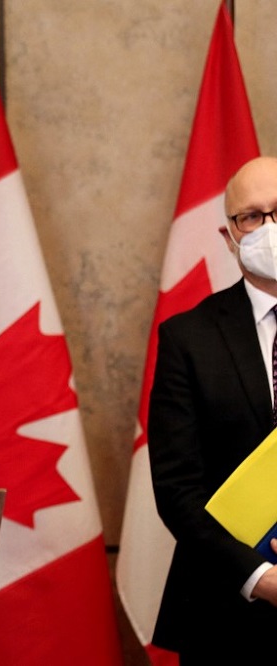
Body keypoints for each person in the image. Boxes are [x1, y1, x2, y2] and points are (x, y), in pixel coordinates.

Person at [148, 155, 277, 661]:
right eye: (252, 216)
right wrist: (260, 577)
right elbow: (177, 489)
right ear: (230, 236)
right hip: (227, 616)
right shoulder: (188, 338)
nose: (269, 227)